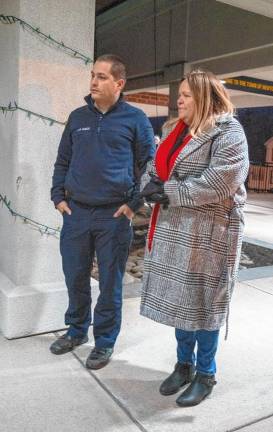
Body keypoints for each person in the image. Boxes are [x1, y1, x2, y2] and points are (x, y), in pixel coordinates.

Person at [140, 69, 249, 406]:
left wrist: (167, 191)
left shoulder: (228, 132)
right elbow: (155, 165)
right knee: (180, 300)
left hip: (209, 234)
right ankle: (183, 365)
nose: (179, 99)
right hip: (176, 230)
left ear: (204, 97)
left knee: (204, 304)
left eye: (186, 94)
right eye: (180, 94)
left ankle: (206, 373)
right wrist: (151, 186)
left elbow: (219, 183)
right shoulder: (176, 130)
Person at [50, 54, 155, 369]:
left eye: (102, 77)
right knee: (75, 276)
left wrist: (134, 204)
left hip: (113, 216)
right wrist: (58, 197)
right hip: (76, 213)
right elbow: (62, 161)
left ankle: (105, 341)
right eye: (92, 75)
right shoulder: (78, 117)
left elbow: (149, 166)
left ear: (119, 83)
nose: (94, 82)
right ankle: (77, 330)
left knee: (110, 281)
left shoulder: (135, 119)